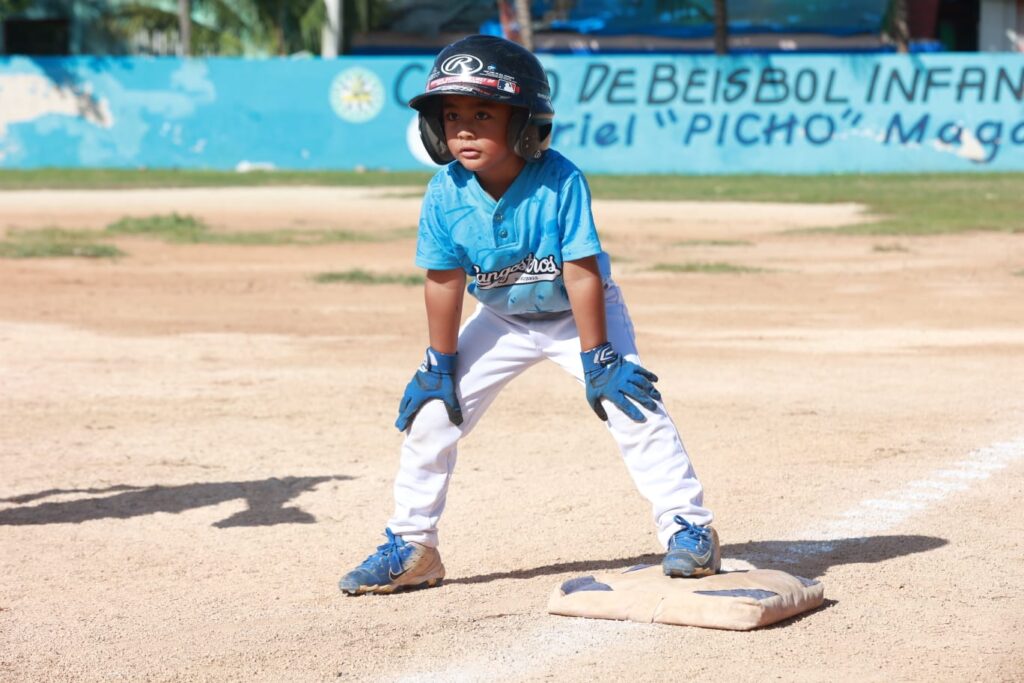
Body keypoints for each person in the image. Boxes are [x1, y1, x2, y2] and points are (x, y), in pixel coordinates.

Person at [339, 35, 719, 596]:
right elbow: (443, 280)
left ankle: (689, 528)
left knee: (630, 402)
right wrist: (439, 362)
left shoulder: (561, 179)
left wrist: (599, 355)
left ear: (524, 122)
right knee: (433, 414)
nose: (463, 130)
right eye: (452, 116)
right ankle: (413, 545)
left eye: (483, 114)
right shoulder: (444, 193)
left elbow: (581, 271)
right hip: (502, 319)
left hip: (577, 314)